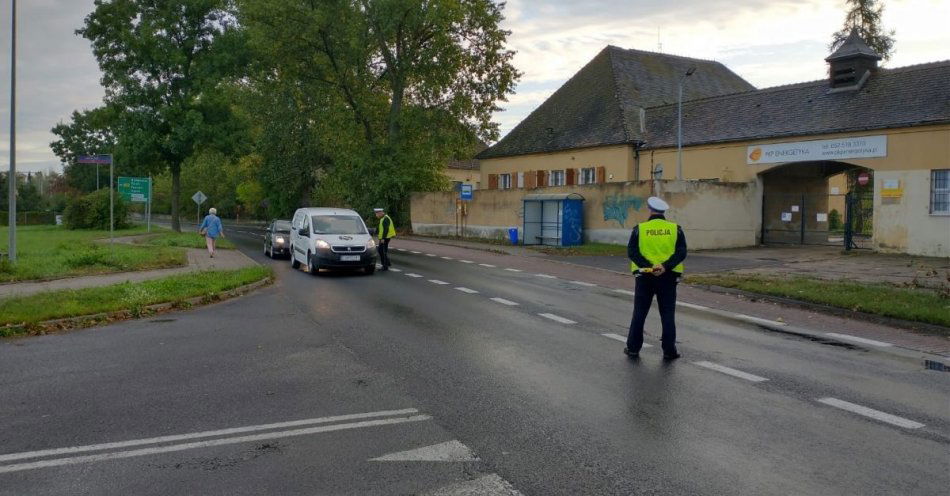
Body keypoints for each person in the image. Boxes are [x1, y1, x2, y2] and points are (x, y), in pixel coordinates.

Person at [625, 196, 687, 360]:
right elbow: (681, 252)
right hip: (668, 276)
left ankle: (633, 348)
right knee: (667, 314)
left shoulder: (640, 229)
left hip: (644, 276)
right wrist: (665, 266)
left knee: (639, 312)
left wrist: (648, 267)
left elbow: (632, 251)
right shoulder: (676, 229)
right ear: (663, 211)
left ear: (650, 209)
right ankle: (669, 350)